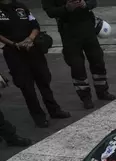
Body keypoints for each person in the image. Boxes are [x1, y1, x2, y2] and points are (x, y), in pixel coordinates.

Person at [0, 0, 71, 128]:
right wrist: (15, 44)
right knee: (27, 87)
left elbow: (35, 25)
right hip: (14, 52)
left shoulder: (20, 7)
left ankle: (54, 110)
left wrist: (30, 39)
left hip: (33, 49)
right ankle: (38, 116)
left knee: (44, 81)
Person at [42, 0, 116, 109]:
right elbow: (50, 12)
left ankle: (102, 91)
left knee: (97, 59)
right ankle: (85, 97)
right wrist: (66, 8)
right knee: (77, 65)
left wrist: (86, 4)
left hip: (87, 27)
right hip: (68, 31)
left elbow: (93, 2)